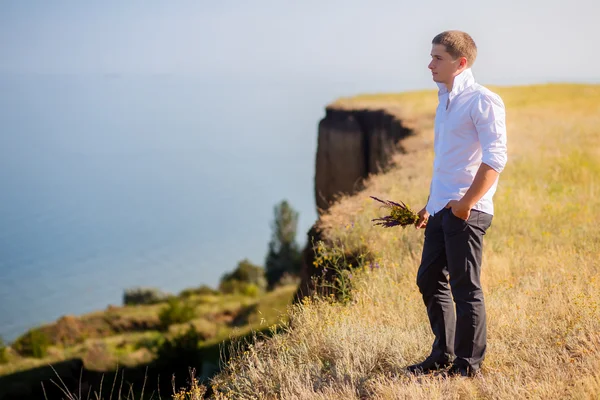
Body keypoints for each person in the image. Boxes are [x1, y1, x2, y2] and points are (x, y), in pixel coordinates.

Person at [407, 30, 508, 378]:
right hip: (441, 208)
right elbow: (448, 162)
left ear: (460, 63)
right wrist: (429, 204)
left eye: (438, 58)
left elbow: (496, 158)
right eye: (431, 56)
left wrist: (465, 203)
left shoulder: (483, 100)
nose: (430, 64)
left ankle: (468, 367)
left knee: (465, 288)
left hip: (467, 210)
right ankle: (444, 354)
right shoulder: (445, 100)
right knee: (429, 278)